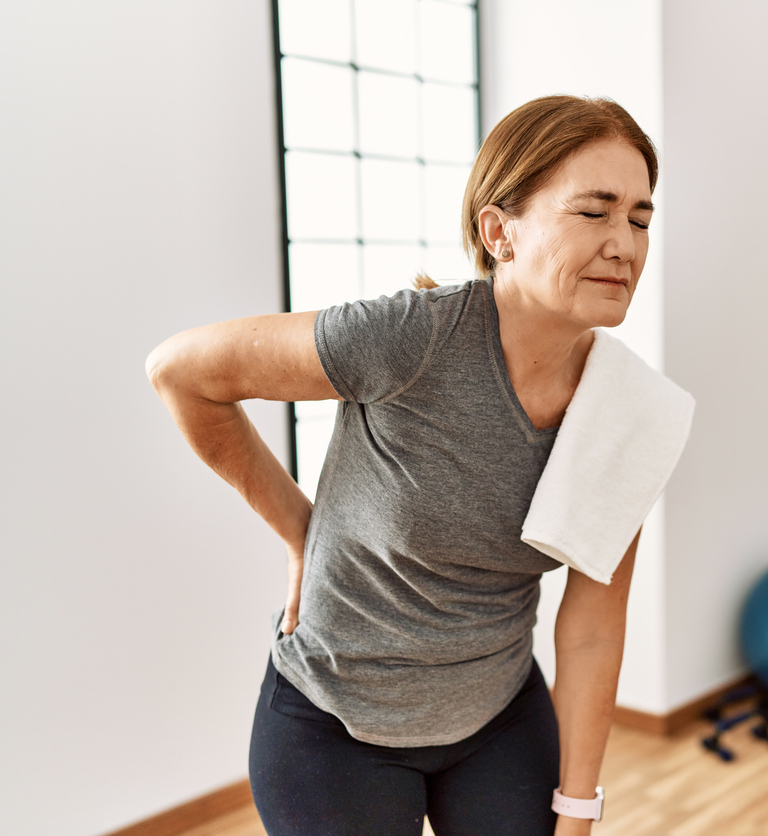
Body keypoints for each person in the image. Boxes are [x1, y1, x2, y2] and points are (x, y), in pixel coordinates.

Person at [146, 95, 662, 835]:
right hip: (335, 725)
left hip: (498, 718)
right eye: (594, 211)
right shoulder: (407, 339)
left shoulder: (630, 409)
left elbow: (591, 625)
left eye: (640, 218)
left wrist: (578, 811)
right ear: (499, 230)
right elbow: (181, 373)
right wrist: (301, 530)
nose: (625, 244)